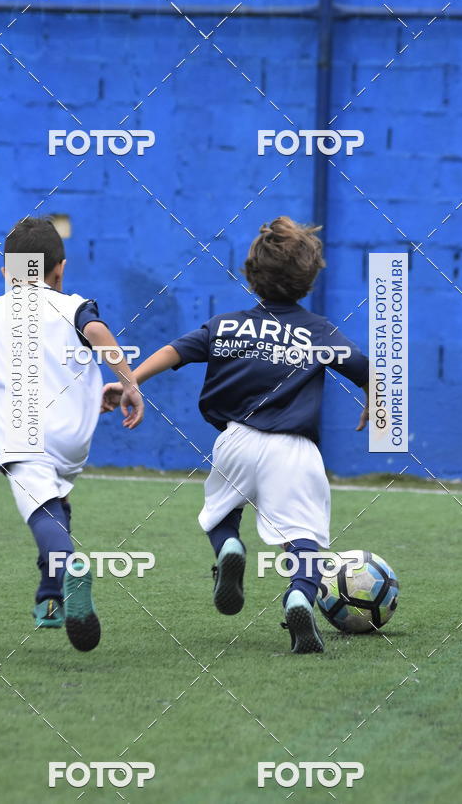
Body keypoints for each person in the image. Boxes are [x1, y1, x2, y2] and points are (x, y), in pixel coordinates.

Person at [103, 216, 369, 654]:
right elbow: (362, 370)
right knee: (306, 535)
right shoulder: (320, 332)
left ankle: (229, 549)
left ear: (251, 276)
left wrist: (131, 382)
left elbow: (175, 352)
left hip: (235, 441)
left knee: (221, 514)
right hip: (295, 450)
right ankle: (300, 593)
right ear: (308, 280)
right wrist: (374, 400)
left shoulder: (225, 325)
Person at [0, 217, 143, 651]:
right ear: (60, 269)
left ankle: (67, 569)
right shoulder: (73, 306)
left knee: (43, 513)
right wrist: (128, 382)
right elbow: (99, 334)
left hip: (20, 433)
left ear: (6, 273)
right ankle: (49, 598)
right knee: (56, 504)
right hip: (71, 434)